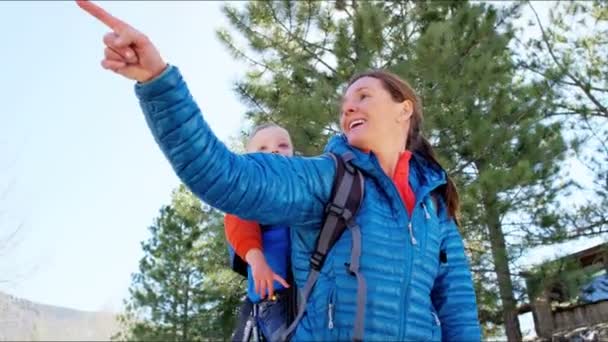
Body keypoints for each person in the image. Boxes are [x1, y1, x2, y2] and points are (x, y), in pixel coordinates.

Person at [77, 1, 482, 340]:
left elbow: (458, 313)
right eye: (344, 104)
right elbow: (221, 175)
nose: (349, 108)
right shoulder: (327, 180)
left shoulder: (435, 207)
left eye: (363, 95)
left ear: (404, 109)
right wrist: (157, 80)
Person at [225, 124, 294, 342]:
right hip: (271, 296)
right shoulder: (249, 193)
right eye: (263, 148)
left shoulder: (301, 191)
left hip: (308, 291)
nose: (274, 151)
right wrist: (256, 260)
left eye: (283, 145)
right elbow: (239, 224)